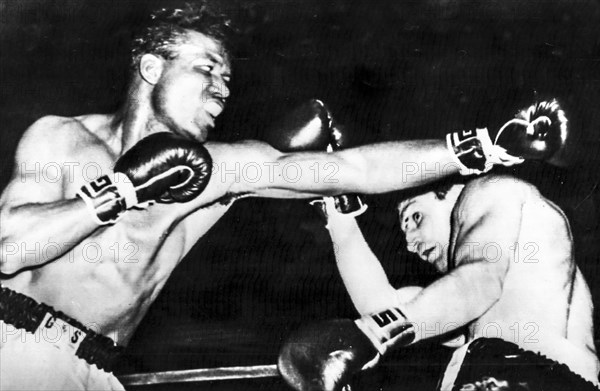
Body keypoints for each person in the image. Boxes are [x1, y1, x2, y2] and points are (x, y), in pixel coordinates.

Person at [0, 3, 563, 390]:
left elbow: (353, 168)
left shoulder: (218, 169)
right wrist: (121, 190)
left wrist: (484, 147)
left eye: (228, 79)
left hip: (95, 370)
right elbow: (7, 247)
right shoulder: (60, 138)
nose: (222, 89)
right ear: (152, 67)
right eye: (207, 69)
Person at [278, 173, 600, 390]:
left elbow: (481, 279)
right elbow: (385, 306)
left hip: (519, 374)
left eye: (415, 217)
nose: (411, 243)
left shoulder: (488, 191)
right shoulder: (507, 291)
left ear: (452, 190)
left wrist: (374, 332)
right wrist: (337, 215)